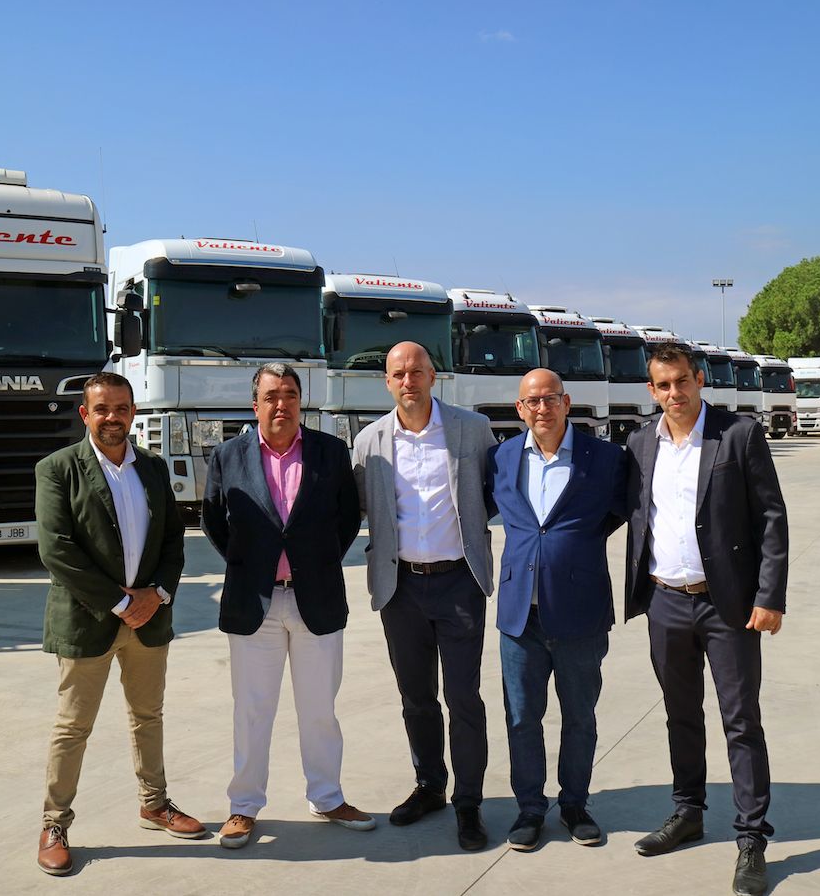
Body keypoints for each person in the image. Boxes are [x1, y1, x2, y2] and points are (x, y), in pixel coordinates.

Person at [623, 343, 788, 896]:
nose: (674, 393)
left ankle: (751, 839)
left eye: (682, 381)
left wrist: (769, 596)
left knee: (741, 721)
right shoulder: (640, 443)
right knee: (680, 714)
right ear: (652, 391)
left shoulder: (737, 435)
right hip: (665, 601)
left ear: (699, 380)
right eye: (663, 385)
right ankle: (688, 812)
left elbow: (771, 517)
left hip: (728, 606)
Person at [34, 372, 203, 877]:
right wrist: (119, 601)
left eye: (122, 408)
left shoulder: (152, 468)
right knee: (73, 727)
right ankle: (54, 823)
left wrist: (158, 594)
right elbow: (56, 549)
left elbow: (173, 539)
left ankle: (155, 804)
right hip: (88, 620)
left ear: (133, 412)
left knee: (148, 716)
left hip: (148, 619)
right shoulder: (58, 469)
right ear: (85, 414)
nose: (113, 418)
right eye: (102, 409)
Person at [201, 363, 370, 849]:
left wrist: (312, 564)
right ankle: (244, 806)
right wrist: (253, 564)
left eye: (290, 394)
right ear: (254, 404)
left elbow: (346, 520)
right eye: (272, 395)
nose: (282, 404)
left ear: (301, 401)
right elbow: (214, 520)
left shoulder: (330, 452)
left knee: (320, 709)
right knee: (252, 711)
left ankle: (327, 796)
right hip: (253, 601)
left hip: (315, 597)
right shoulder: (228, 455)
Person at [352, 341, 498, 851]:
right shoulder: (369, 442)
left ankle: (469, 802)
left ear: (434, 377)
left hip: (459, 583)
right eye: (398, 374)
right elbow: (361, 507)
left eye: (417, 371)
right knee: (416, 698)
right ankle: (430, 786)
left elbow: (493, 493)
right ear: (387, 382)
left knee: (463, 698)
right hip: (401, 588)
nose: (408, 381)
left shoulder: (472, 429)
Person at [487, 368, 626, 852]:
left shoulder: (605, 458)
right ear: (520, 409)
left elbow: (619, 512)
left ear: (567, 403)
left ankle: (574, 805)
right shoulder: (502, 457)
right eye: (532, 401)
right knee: (521, 718)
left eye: (551, 399)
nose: (542, 408)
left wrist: (572, 551)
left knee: (580, 717)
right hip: (519, 616)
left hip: (580, 613)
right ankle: (530, 808)